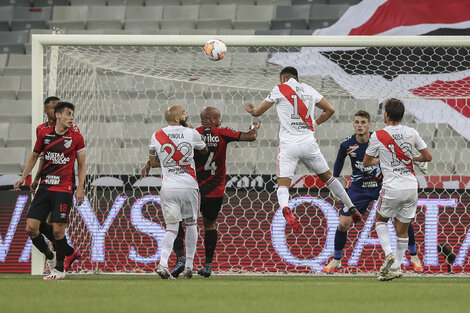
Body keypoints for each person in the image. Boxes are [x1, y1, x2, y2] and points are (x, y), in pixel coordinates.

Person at [243, 66, 361, 232]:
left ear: (283, 78)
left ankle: (285, 207)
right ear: (296, 78)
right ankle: (351, 206)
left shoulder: (280, 89)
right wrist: (314, 123)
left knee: (283, 185)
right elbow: (330, 110)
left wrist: (251, 110)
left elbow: (258, 112)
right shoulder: (309, 89)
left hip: (288, 146)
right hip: (308, 144)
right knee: (328, 178)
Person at [322, 110, 424, 273]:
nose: (359, 125)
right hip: (358, 189)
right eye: (357, 122)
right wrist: (334, 182)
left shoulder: (379, 139)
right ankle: (336, 260)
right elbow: (339, 162)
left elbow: (399, 153)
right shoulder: (346, 144)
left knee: (402, 221)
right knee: (343, 224)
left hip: (383, 186)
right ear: (353, 125)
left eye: (363, 122)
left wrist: (415, 161)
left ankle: (413, 257)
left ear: (369, 124)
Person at [167, 107, 260, 278]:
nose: (220, 120)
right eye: (218, 118)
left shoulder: (194, 133)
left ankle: (181, 258)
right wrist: (255, 127)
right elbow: (250, 137)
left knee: (180, 220)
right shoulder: (222, 132)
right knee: (210, 224)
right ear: (211, 119)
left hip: (193, 188)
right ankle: (207, 265)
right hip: (215, 189)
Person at [14, 102, 86, 280]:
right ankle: (52, 255)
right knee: (31, 228)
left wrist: (80, 188)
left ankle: (60, 269)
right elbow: (35, 156)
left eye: (72, 114)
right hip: (45, 187)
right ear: (58, 115)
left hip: (64, 188)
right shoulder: (44, 134)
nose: (72, 117)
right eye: (68, 114)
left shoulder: (76, 137)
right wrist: (25, 177)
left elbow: (82, 164)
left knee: (57, 231)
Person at [363, 98, 432, 281]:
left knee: (380, 220)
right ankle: (396, 268)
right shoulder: (412, 132)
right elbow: (427, 157)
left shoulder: (378, 135)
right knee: (403, 230)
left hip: (392, 187)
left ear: (386, 115)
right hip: (411, 187)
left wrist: (382, 160)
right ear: (401, 116)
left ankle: (388, 254)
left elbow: (366, 162)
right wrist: (411, 159)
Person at [147, 105, 208, 279]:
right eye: (183, 113)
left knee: (171, 228)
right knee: (191, 224)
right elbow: (204, 150)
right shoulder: (191, 133)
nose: (186, 114)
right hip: (189, 185)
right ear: (176, 118)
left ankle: (163, 264)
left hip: (168, 187)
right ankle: (189, 265)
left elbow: (153, 162)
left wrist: (170, 164)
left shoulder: (156, 135)